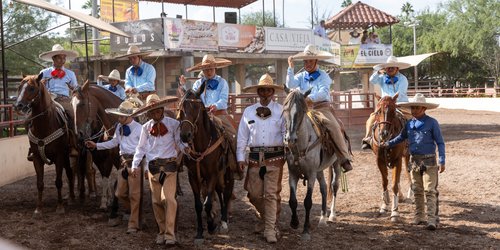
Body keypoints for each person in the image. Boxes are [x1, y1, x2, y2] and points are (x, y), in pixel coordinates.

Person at [381, 93, 445, 231]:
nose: (414, 110)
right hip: (414, 161)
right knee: (417, 189)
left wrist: (442, 160)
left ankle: (432, 219)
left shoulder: (432, 123)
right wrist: (388, 144)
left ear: (424, 108)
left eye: (416, 108)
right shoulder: (409, 124)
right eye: (412, 108)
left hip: (429, 161)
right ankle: (419, 216)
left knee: (429, 190)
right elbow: (400, 137)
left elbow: (440, 142)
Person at [286, 44, 353, 172]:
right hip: (305, 109)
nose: (307, 63)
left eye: (310, 61)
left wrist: (310, 98)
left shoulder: (323, 76)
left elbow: (323, 92)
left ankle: (344, 157)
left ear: (316, 61)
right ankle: (288, 151)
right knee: (290, 121)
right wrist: (290, 68)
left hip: (322, 108)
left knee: (333, 126)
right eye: (305, 61)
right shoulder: (301, 76)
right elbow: (290, 85)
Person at [130, 94, 185, 245]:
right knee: (156, 202)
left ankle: (170, 234)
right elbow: (140, 148)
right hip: (153, 168)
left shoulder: (174, 124)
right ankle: (161, 232)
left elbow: (179, 142)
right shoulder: (145, 127)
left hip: (169, 166)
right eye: (152, 112)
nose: (155, 114)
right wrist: (135, 165)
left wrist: (187, 149)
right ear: (148, 113)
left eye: (157, 110)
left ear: (162, 109)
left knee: (168, 199)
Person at [237, 74, 286, 243]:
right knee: (253, 194)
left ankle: (270, 229)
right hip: (254, 158)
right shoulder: (248, 111)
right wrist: (240, 157)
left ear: (273, 92)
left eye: (268, 90)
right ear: (258, 92)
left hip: (275, 157)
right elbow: (242, 136)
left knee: (271, 195)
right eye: (262, 90)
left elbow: (286, 133)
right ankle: (267, 219)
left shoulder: (281, 110)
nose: (265, 93)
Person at [179, 54, 243, 180]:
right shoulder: (198, 83)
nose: (208, 71)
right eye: (206, 69)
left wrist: (215, 106)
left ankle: (235, 166)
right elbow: (192, 97)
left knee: (233, 135)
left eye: (210, 69)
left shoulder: (222, 82)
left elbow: (224, 100)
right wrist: (183, 86)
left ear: (215, 69)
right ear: (202, 70)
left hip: (219, 114)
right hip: (201, 115)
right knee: (183, 131)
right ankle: (180, 162)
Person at [84, 100, 142, 233]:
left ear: (129, 116)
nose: (118, 118)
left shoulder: (140, 128)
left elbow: (145, 148)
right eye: (119, 116)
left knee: (134, 195)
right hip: (123, 162)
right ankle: (131, 211)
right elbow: (114, 142)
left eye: (121, 116)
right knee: (120, 193)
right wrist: (96, 145)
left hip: (135, 162)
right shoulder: (119, 128)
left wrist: (142, 167)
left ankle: (133, 224)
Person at [29, 44, 79, 161]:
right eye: (59, 58)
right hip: (48, 99)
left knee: (72, 115)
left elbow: (76, 89)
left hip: (64, 99)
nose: (62, 60)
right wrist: (42, 83)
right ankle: (32, 147)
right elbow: (37, 86)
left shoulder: (70, 74)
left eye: (64, 58)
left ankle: (73, 145)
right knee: (31, 117)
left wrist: (73, 88)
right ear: (53, 59)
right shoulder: (44, 72)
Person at [361, 56, 412, 150]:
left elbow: (400, 93)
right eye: (388, 67)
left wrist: (390, 101)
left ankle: (411, 140)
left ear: (397, 68)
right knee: (371, 118)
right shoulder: (382, 78)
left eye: (392, 67)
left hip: (400, 104)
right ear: (385, 69)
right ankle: (367, 138)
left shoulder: (403, 79)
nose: (390, 69)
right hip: (384, 105)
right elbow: (372, 80)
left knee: (410, 119)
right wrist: (378, 72)